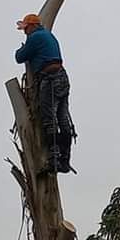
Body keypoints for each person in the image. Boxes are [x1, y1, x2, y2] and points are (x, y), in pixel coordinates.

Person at [15, 13, 75, 174]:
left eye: (26, 28)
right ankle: (65, 160)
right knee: (63, 118)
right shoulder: (48, 35)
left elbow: (20, 57)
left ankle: (53, 159)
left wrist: (23, 48)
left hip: (49, 79)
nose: (25, 32)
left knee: (49, 119)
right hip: (62, 77)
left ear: (32, 26)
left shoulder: (35, 37)